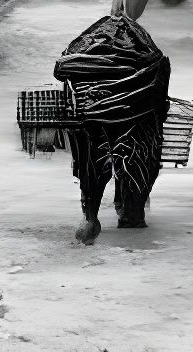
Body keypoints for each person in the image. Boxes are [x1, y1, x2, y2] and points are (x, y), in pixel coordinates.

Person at [53, 12, 171, 244]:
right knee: (136, 159)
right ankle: (130, 212)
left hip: (95, 114)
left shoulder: (87, 60)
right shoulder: (147, 61)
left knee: (93, 162)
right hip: (136, 114)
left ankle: (92, 216)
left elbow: (62, 71)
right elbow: (160, 98)